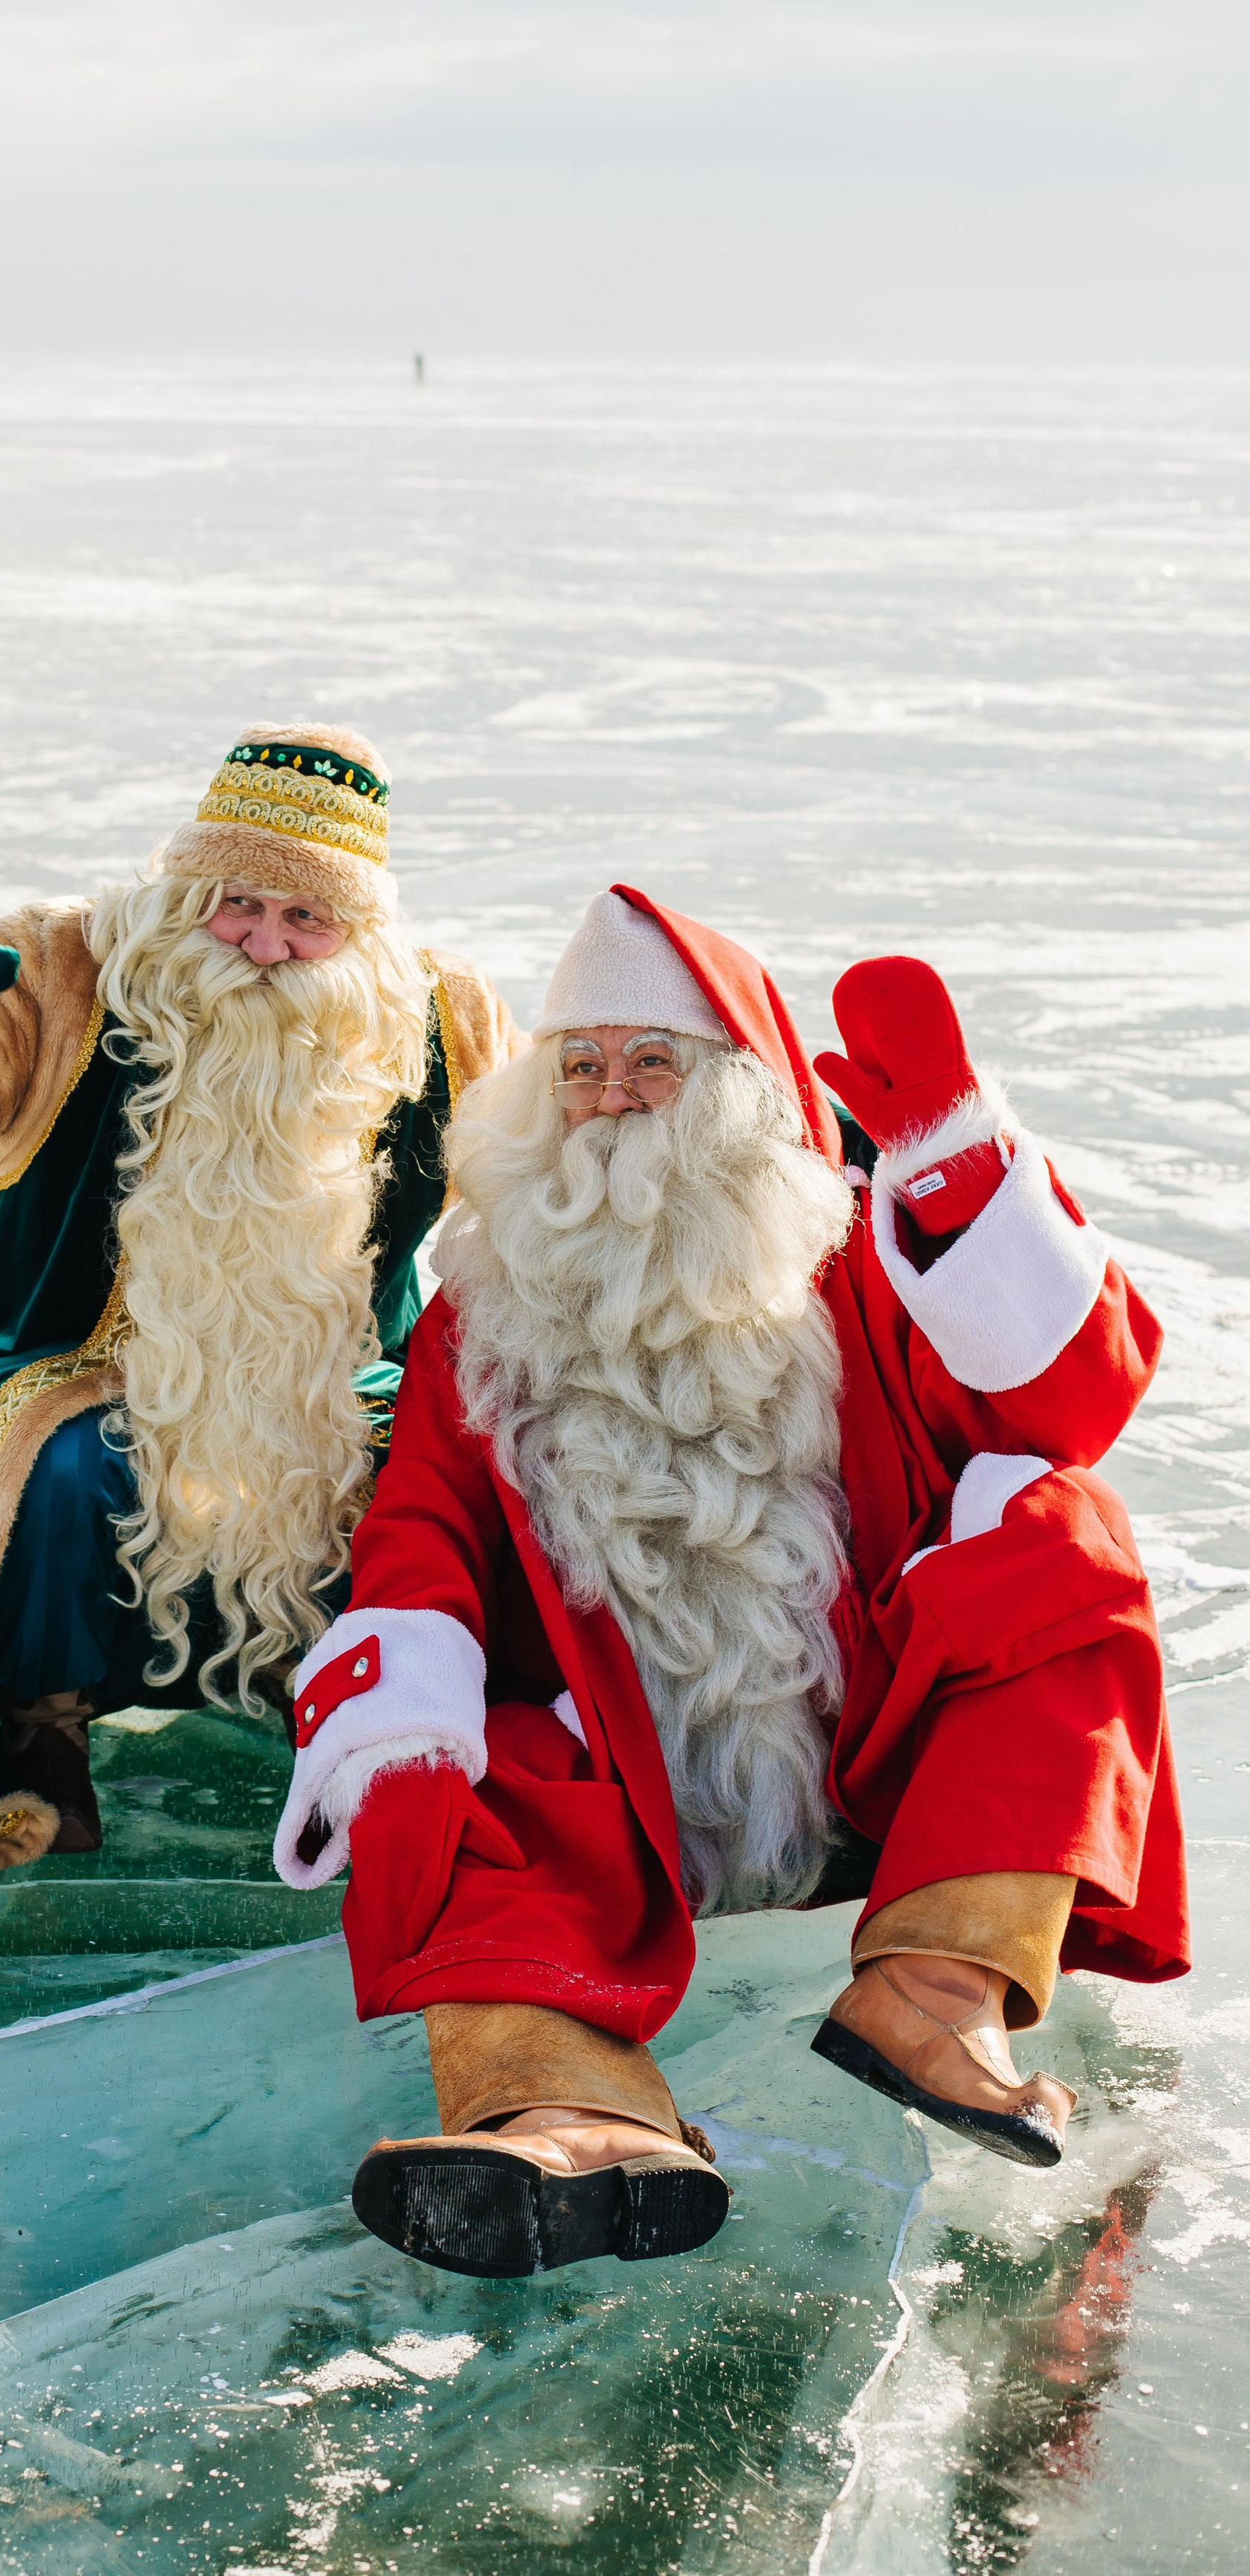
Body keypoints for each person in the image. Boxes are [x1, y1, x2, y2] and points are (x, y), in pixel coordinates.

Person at [273, 884, 1187, 2277]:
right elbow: (425, 1523)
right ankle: (564, 2102)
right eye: (580, 1065)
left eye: (655, 1063)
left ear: (742, 1095)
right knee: (454, 1744)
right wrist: (405, 1697)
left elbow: (1065, 1400)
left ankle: (937, 1988)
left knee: (1064, 1540)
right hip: (615, 1777)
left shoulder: (857, 1268)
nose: (611, 1100)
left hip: (862, 1766)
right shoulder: (491, 1299)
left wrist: (953, 1166)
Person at [0, 725, 515, 1871]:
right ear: (185, 884)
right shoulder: (61, 967)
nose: (262, 944)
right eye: (236, 904)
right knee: (63, 1461)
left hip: (323, 1369)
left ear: (361, 929)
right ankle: (42, 1720)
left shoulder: (439, 1015)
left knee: (444, 1446)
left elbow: (542, 1174)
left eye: (307, 920)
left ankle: (323, 1678)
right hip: (58, 1356)